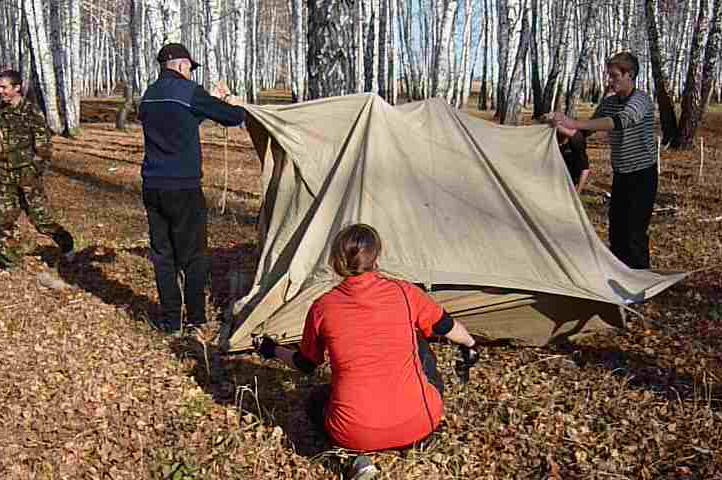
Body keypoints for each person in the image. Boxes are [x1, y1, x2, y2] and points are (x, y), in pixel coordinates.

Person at [255, 224, 479, 479]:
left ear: (336, 260)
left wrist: (272, 349)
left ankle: (355, 459)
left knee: (316, 400)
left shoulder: (322, 308)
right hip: (422, 421)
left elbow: (305, 364)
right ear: (377, 258)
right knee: (419, 341)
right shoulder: (405, 293)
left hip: (354, 433)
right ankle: (416, 441)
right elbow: (448, 327)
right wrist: (471, 344)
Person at [139, 43, 245, 331]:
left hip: (152, 185)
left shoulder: (149, 95)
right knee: (194, 255)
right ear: (181, 64)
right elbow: (234, 118)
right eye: (189, 67)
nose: (189, 71)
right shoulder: (189, 91)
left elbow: (181, 120)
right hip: (183, 187)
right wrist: (230, 103)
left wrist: (207, 102)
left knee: (163, 256)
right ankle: (196, 319)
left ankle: (171, 320)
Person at [548, 52, 658, 269]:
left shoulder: (641, 100)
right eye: (609, 75)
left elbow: (618, 122)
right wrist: (555, 127)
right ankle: (619, 278)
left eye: (615, 76)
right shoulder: (608, 103)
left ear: (630, 75)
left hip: (642, 175)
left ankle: (640, 285)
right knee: (616, 231)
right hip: (621, 175)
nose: (610, 81)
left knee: (634, 233)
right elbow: (585, 132)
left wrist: (574, 122)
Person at [0, 70, 75, 270]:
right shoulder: (0, 113)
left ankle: (66, 243)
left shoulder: (32, 112)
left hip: (29, 177)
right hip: (6, 176)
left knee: (42, 222)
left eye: (4, 87)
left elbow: (44, 149)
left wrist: (33, 173)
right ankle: (12, 264)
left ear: (16, 88)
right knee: (0, 222)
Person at [556, 124, 590, 194]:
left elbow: (585, 168)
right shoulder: (552, 139)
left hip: (571, 180)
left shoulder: (576, 141)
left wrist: (577, 192)